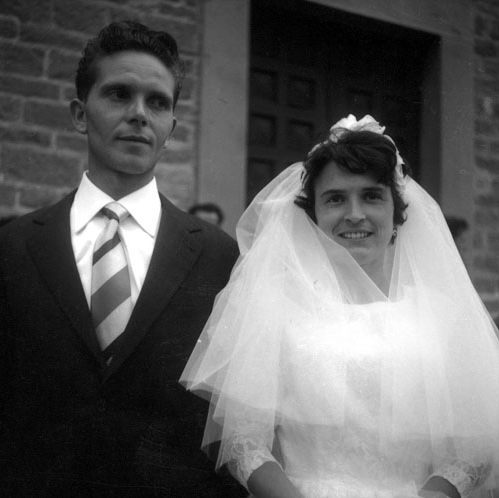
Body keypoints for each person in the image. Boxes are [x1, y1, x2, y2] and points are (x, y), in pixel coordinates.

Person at [181, 115, 499, 498]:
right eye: (335, 198)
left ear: (397, 211)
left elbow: (476, 447)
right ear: (313, 214)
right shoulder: (275, 309)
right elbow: (244, 443)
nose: (354, 214)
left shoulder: (442, 317)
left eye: (372, 196)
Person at [0, 20, 243, 497]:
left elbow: (227, 421)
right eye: (118, 94)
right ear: (79, 114)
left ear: (171, 128)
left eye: (158, 102)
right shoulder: (13, 245)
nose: (139, 114)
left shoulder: (219, 256)